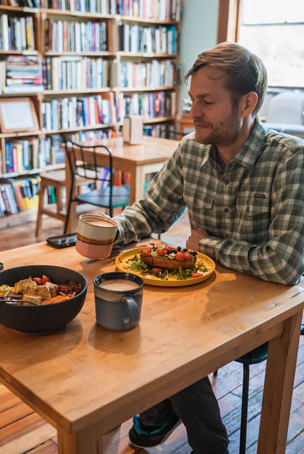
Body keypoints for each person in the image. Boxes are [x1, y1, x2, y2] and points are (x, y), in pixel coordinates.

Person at [112, 42, 304, 454]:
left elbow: (285, 266)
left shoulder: (290, 159)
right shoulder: (190, 149)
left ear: (247, 102)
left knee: (172, 339)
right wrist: (109, 231)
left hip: (267, 313)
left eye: (207, 101)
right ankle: (168, 413)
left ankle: (172, 419)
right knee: (131, 310)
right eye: (193, 100)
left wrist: (209, 246)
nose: (193, 112)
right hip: (203, 299)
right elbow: (150, 211)